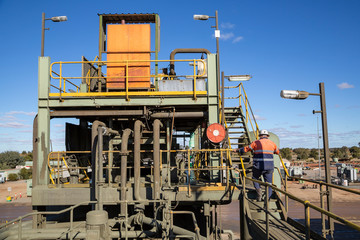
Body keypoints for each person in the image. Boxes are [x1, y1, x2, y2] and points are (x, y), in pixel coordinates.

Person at [234, 130, 279, 201]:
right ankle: (267, 199)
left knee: (255, 178)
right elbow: (277, 152)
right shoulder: (272, 143)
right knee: (269, 184)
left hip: (258, 166)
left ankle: (259, 192)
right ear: (267, 136)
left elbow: (246, 149)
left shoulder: (256, 143)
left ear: (260, 136)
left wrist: (237, 150)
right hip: (269, 167)